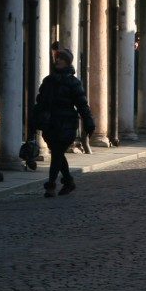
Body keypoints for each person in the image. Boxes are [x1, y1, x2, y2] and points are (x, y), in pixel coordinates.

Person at [33, 48, 95, 197]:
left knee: (57, 153)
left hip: (67, 123)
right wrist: (33, 121)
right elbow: (40, 102)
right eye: (57, 58)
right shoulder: (48, 81)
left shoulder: (73, 82)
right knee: (58, 153)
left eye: (61, 58)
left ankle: (51, 185)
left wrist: (88, 121)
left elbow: (82, 104)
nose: (58, 60)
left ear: (68, 62)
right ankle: (68, 181)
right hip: (50, 123)